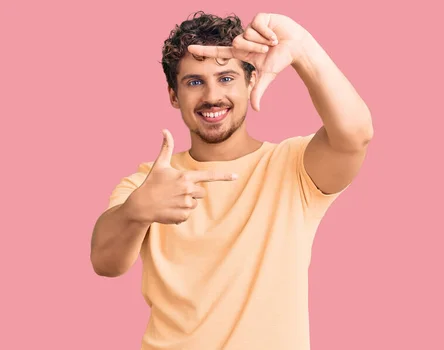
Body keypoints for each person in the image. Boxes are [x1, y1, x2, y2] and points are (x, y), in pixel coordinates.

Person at [90, 10, 373, 350]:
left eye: (226, 78)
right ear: (173, 95)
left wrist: (303, 50)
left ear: (250, 81)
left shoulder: (294, 168)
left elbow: (355, 135)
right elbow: (105, 263)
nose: (212, 96)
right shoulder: (150, 183)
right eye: (194, 82)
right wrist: (137, 211)